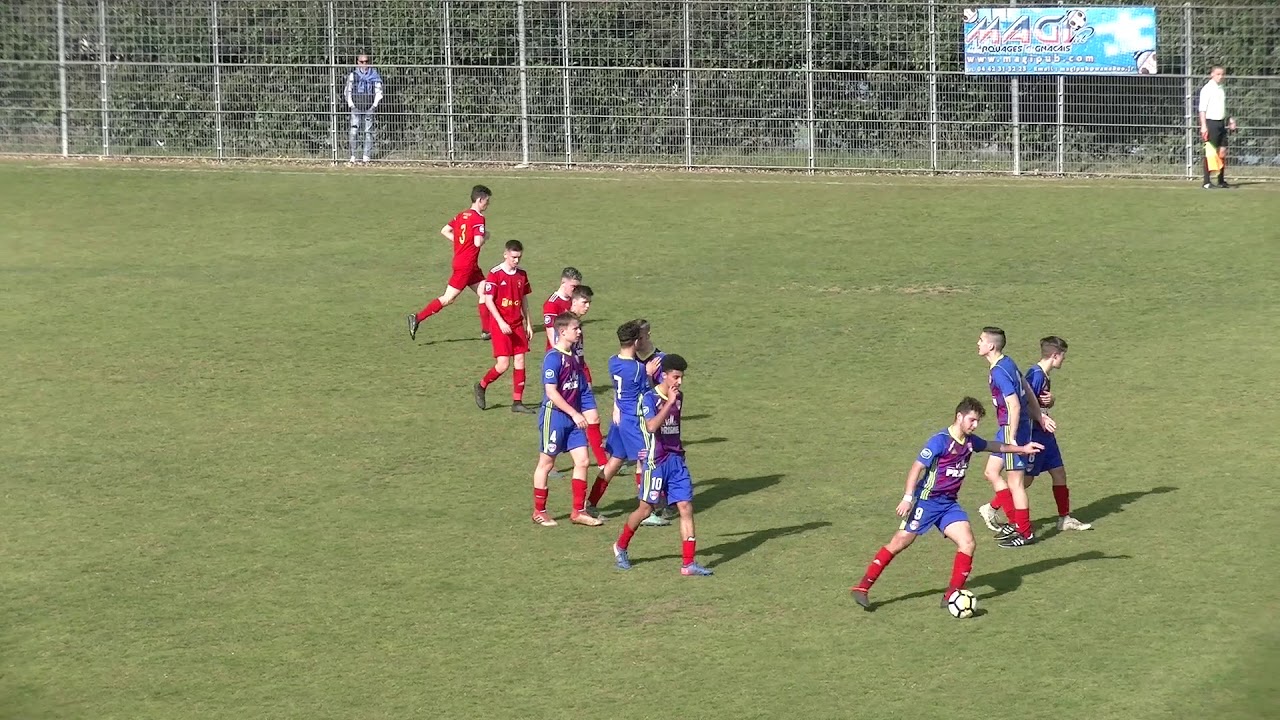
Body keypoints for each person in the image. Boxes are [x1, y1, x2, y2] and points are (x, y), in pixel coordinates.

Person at [850, 397, 1043, 611]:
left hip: (949, 505)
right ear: (959, 417)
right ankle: (862, 588)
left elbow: (992, 445)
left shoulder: (970, 441)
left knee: (968, 543)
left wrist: (1022, 449)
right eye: (972, 420)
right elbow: (916, 468)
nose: (975, 425)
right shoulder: (939, 441)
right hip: (927, 502)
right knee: (899, 542)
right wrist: (907, 498)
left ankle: (951, 594)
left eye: (977, 421)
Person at [612, 354, 713, 576]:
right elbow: (651, 426)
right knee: (646, 508)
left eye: (682, 378)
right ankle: (620, 547)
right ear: (664, 376)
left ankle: (688, 563)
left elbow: (673, 427)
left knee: (685, 507)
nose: (679, 382)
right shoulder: (649, 399)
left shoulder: (679, 397)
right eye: (676, 377)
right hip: (655, 462)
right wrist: (668, 403)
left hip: (676, 461)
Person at [974, 327, 1055, 548]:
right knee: (991, 472)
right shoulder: (1006, 362)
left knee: (1016, 483)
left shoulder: (999, 371)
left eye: (981, 340)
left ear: (991, 345)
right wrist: (1039, 416)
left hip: (1013, 430)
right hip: (1007, 429)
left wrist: (1011, 436)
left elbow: (1014, 404)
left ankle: (1025, 532)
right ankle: (1015, 522)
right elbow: (1027, 388)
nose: (978, 343)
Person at [532, 312, 603, 527]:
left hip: (574, 420)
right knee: (546, 463)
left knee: (583, 461)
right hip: (555, 418)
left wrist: (590, 409)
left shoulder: (573, 357)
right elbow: (551, 392)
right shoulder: (552, 358)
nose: (579, 332)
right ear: (563, 331)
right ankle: (539, 511)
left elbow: (581, 387)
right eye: (576, 328)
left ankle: (578, 511)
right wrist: (574, 413)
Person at [407, 185, 493, 341]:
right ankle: (417, 317)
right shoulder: (479, 218)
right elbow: (478, 242)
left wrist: (460, 245)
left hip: (467, 264)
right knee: (448, 298)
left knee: (486, 292)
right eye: (487, 201)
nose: (488, 204)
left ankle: (487, 330)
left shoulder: (460, 215)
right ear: (480, 200)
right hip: (466, 266)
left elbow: (445, 230)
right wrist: (486, 236)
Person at [1024, 336, 1091, 531]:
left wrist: (1050, 402)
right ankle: (993, 507)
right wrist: (1041, 418)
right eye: (1063, 356)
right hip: (1034, 435)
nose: (1064, 360)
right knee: (1025, 481)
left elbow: (1039, 403)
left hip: (1046, 435)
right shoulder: (1035, 375)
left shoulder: (1044, 376)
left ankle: (1065, 518)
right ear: (1055, 355)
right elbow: (1023, 407)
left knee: (1059, 473)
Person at [583, 321, 649, 517]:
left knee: (615, 461)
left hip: (619, 419)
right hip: (633, 420)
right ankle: (646, 510)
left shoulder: (613, 361)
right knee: (644, 461)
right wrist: (651, 372)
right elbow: (647, 392)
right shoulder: (639, 369)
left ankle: (591, 502)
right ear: (636, 341)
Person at [473, 240, 536, 414]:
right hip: (500, 325)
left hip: (517, 324)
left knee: (520, 360)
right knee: (503, 365)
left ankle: (517, 401)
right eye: (514, 257)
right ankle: (481, 385)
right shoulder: (495, 274)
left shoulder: (522, 275)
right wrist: (500, 322)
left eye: (519, 257)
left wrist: (528, 323)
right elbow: (488, 300)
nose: (516, 260)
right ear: (505, 254)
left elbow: (524, 298)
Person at [633, 318, 671, 526]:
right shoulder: (632, 360)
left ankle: (660, 501)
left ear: (648, 335)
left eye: (640, 338)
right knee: (643, 460)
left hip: (657, 418)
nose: (637, 343)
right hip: (636, 420)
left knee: (661, 458)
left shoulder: (661, 361)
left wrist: (647, 377)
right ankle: (648, 506)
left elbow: (659, 394)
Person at [1199, 66, 1237, 189]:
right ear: (1212, 75)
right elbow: (1202, 109)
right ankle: (1206, 181)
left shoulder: (1221, 88)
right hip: (1211, 123)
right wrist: (1204, 126)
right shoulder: (1207, 89)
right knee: (1210, 152)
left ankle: (1221, 180)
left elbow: (1223, 107)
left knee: (1222, 151)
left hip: (1221, 123)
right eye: (1218, 74)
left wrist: (1229, 119)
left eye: (1222, 74)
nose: (1221, 76)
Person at [344, 54, 383, 163]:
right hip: (356, 107)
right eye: (361, 62)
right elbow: (348, 91)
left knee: (368, 132)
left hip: (369, 107)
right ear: (357, 62)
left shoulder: (374, 75)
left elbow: (378, 92)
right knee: (353, 131)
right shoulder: (353, 75)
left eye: (366, 61)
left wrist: (374, 106)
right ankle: (353, 155)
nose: (364, 64)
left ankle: (366, 156)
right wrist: (352, 105)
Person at [542, 268, 582, 349]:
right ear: (563, 283)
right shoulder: (552, 304)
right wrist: (562, 353)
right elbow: (552, 335)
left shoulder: (573, 300)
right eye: (573, 286)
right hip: (559, 353)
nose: (576, 290)